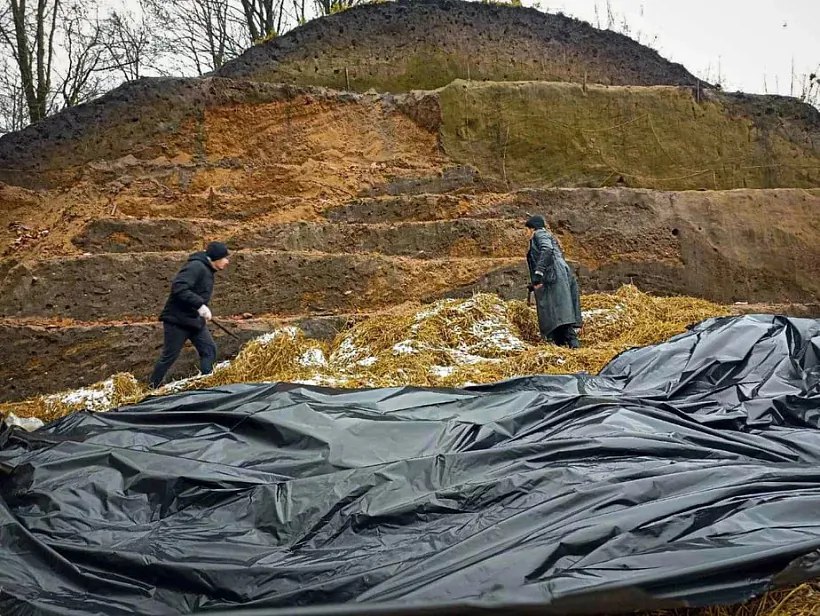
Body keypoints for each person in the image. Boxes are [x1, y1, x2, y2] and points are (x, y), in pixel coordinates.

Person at [149, 241, 231, 389]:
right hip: (177, 321)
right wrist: (200, 305)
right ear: (216, 258)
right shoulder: (196, 267)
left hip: (194, 321)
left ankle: (208, 385)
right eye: (225, 258)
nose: (227, 261)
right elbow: (179, 287)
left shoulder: (208, 270)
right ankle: (152, 387)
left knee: (209, 349)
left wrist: (201, 309)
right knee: (169, 356)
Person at [525, 215, 582, 348]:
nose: (526, 234)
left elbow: (547, 250)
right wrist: (535, 282)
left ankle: (574, 348)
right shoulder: (551, 239)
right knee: (560, 315)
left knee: (559, 315)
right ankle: (564, 347)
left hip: (554, 280)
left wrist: (538, 272)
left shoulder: (540, 235)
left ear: (532, 229)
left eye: (526, 230)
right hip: (557, 278)